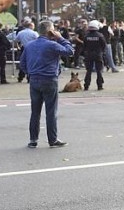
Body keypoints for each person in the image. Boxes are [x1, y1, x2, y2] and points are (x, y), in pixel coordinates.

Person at [19, 20, 74, 148]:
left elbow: (22, 64)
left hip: (34, 80)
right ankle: (52, 139)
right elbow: (70, 51)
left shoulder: (29, 45)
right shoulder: (52, 45)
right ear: (50, 31)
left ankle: (33, 140)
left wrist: (30, 72)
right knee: (51, 111)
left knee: (35, 111)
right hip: (49, 79)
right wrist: (60, 38)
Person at [82, 20, 106, 91]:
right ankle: (100, 86)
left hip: (89, 55)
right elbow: (104, 45)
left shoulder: (86, 36)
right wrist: (102, 52)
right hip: (98, 54)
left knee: (88, 71)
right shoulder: (100, 35)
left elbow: (84, 46)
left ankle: (86, 86)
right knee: (99, 71)